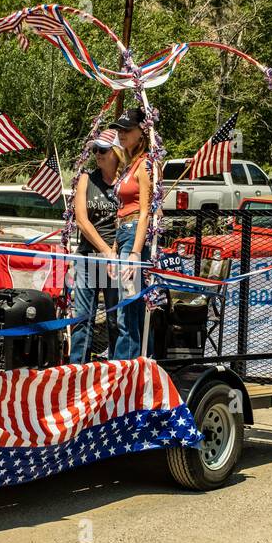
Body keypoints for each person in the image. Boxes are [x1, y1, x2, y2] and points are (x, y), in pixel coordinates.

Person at [69, 130, 123, 363]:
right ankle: (76, 371)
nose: (97, 155)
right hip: (89, 256)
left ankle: (116, 371)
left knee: (116, 320)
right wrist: (105, 250)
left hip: (119, 259)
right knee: (82, 318)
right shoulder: (86, 179)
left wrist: (114, 251)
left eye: (102, 150)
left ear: (116, 152)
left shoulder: (127, 182)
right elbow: (81, 219)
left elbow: (130, 219)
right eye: (95, 150)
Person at [109, 108, 152, 359]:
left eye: (127, 130)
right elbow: (123, 209)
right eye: (120, 130)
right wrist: (115, 246)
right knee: (124, 306)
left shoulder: (144, 164)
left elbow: (145, 212)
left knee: (128, 308)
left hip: (134, 234)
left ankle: (127, 368)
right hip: (123, 234)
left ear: (141, 133)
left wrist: (135, 252)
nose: (121, 134)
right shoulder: (129, 165)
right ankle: (128, 366)